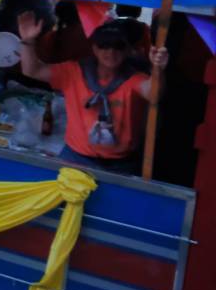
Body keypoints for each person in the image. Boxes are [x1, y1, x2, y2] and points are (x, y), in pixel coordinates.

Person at [17, 13, 168, 174]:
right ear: (94, 48)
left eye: (118, 46)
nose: (111, 52)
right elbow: (32, 70)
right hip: (76, 158)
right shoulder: (73, 72)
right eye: (104, 45)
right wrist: (28, 41)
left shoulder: (134, 78)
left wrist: (158, 69)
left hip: (121, 164)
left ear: (127, 50)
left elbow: (154, 94)